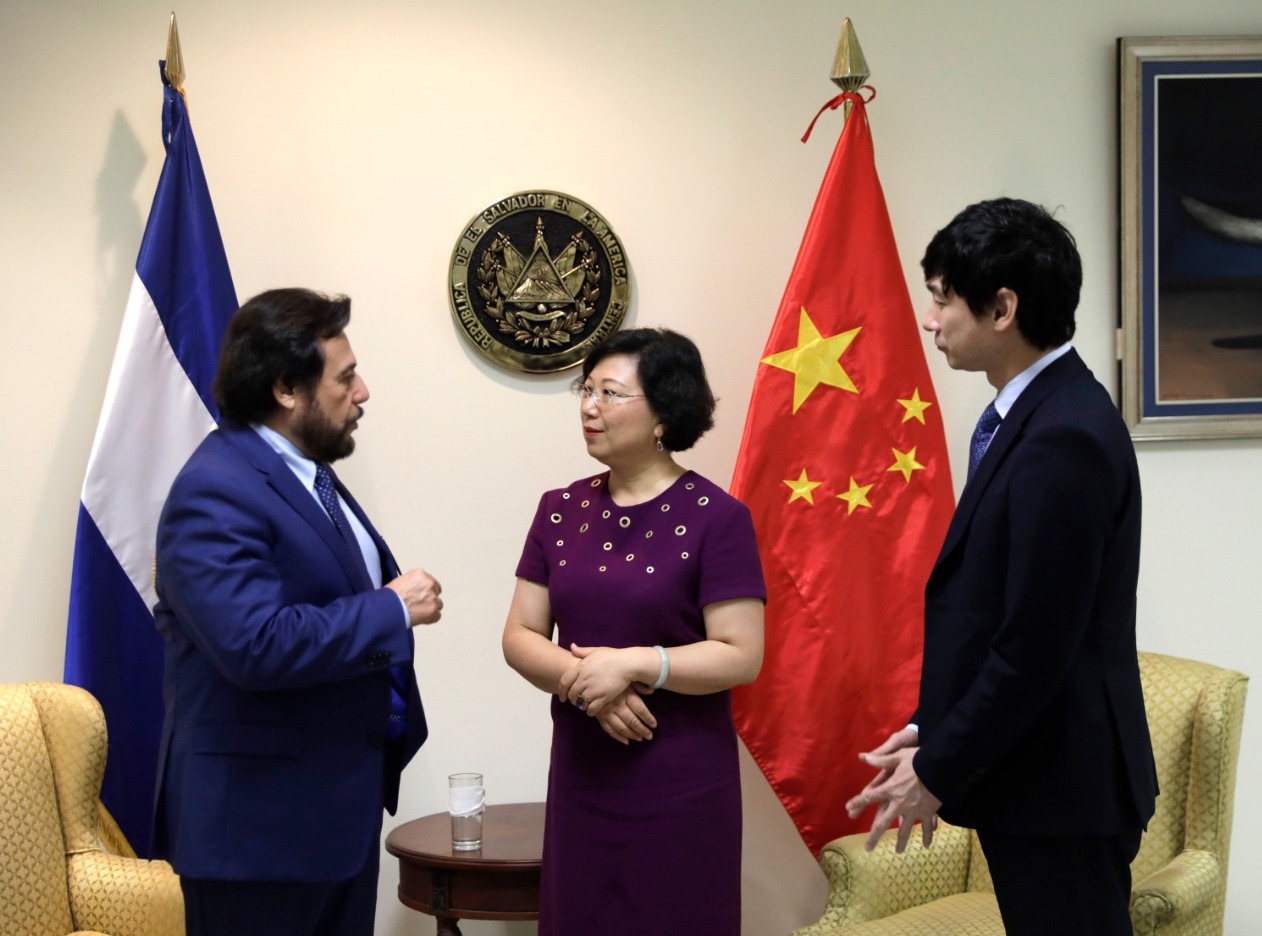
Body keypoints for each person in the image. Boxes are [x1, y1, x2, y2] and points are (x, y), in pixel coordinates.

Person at [845, 198, 1158, 935]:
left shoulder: (1065, 436)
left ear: (1002, 308)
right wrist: (931, 726)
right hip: (1036, 780)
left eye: (942, 298)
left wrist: (938, 767)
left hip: (1064, 789)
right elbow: (989, 611)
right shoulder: (1035, 415)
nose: (930, 320)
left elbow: (1035, 644)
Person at [151, 288, 443, 936]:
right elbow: (254, 645)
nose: (362, 392)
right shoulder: (215, 489)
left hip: (331, 819)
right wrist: (391, 608)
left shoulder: (304, 474)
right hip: (256, 839)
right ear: (286, 388)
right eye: (345, 377)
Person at [502, 327, 766, 936]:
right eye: (586, 390)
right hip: (583, 775)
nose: (589, 407)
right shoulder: (558, 508)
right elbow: (519, 634)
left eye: (611, 393)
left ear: (664, 416)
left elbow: (741, 654)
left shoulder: (719, 518)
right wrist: (588, 682)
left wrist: (640, 664)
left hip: (680, 782)